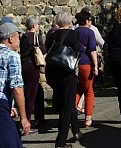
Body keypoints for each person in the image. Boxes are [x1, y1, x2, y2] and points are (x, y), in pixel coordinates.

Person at [45, 12, 81, 148]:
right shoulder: (72, 34)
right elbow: (77, 52)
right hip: (68, 73)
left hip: (54, 72)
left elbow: (49, 51)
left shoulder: (52, 35)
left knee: (67, 103)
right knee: (66, 108)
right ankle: (61, 142)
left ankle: (76, 130)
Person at [19, 16, 46, 130]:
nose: (39, 26)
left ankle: (40, 118)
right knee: (31, 94)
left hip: (24, 65)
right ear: (34, 25)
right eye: (38, 24)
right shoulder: (35, 36)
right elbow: (43, 51)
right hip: (32, 66)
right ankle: (27, 120)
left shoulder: (23, 37)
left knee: (37, 91)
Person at [75, 10, 98, 128]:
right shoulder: (89, 32)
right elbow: (92, 50)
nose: (91, 22)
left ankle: (73, 110)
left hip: (75, 64)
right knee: (89, 91)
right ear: (86, 21)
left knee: (78, 88)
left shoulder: (74, 32)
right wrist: (96, 65)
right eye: (90, 20)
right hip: (86, 63)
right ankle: (88, 118)